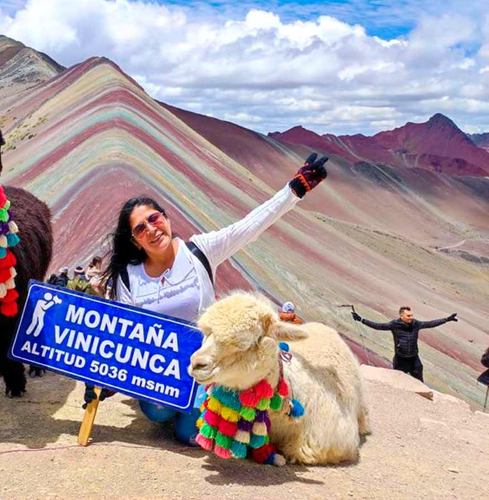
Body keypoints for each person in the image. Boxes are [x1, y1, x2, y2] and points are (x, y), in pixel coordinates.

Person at [85, 153, 329, 445]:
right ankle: (185, 408)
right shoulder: (128, 277)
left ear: (166, 218)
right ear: (135, 240)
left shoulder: (200, 251)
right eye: (140, 228)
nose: (151, 229)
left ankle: (198, 407)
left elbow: (248, 227)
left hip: (210, 364)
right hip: (161, 375)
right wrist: (105, 378)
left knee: (188, 435)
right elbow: (126, 332)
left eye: (154, 218)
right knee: (156, 410)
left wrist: (292, 192)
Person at [352, 306, 457, 382]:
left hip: (413, 359)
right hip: (400, 359)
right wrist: (361, 320)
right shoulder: (394, 324)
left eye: (411, 315)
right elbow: (378, 326)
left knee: (419, 382)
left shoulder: (416, 324)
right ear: (401, 316)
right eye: (408, 316)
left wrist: (446, 319)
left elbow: (430, 324)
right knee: (398, 382)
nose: (411, 317)